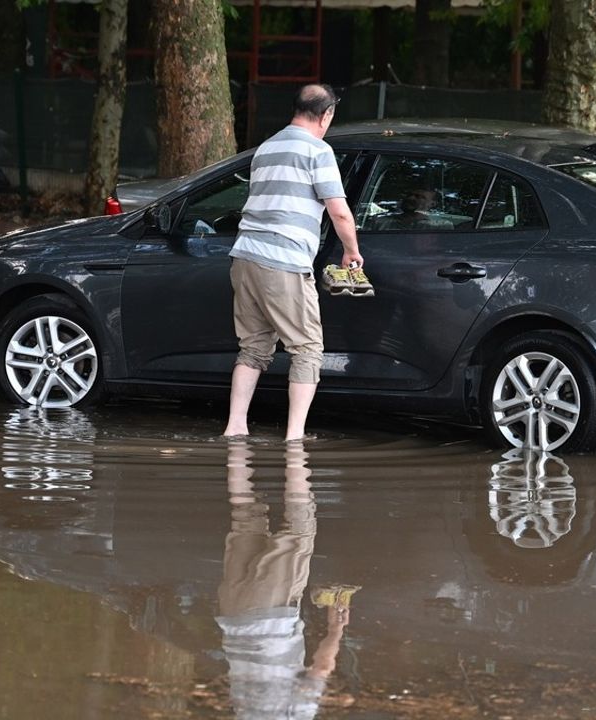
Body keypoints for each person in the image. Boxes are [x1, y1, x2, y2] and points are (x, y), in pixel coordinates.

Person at [223, 83, 363, 442]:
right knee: (307, 348)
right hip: (282, 260)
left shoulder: (266, 148)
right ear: (326, 114)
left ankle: (235, 427)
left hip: (245, 256)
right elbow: (339, 212)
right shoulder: (318, 151)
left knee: (252, 348)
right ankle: (295, 436)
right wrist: (351, 251)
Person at [216, 441, 354, 720]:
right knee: (244, 516)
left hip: (272, 615)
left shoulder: (296, 717)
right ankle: (238, 444)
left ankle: (296, 452)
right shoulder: (246, 715)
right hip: (230, 616)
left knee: (300, 527)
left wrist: (335, 630)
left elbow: (322, 668)